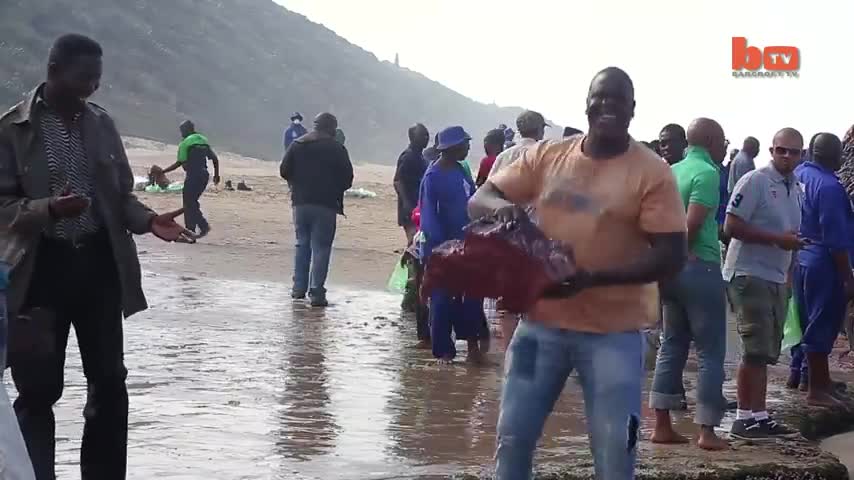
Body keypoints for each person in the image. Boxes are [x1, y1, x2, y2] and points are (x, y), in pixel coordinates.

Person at [471, 67, 688, 480]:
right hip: (539, 325)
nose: (607, 106)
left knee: (614, 453)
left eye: (617, 100)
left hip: (614, 334)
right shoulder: (548, 156)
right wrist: (507, 212)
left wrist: (592, 277)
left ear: (632, 110)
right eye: (599, 97)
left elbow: (671, 256)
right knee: (512, 439)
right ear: (586, 104)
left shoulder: (652, 172)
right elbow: (482, 197)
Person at [0, 33, 194, 480]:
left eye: (98, 79)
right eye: (83, 77)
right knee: (38, 391)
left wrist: (147, 221)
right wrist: (47, 209)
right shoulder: (13, 129)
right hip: (40, 272)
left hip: (99, 269)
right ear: (53, 72)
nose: (92, 88)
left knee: (109, 382)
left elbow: (119, 196)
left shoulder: (102, 125)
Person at [650, 118, 729, 450]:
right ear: (711, 140)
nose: (726, 146)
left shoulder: (672, 170)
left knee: (672, 344)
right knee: (711, 351)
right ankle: (707, 432)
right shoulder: (708, 174)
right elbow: (692, 224)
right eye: (723, 140)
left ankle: (662, 426)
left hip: (669, 271)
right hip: (700, 267)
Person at [724, 128, 804, 439]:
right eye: (781, 150)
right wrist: (778, 241)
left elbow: (790, 234)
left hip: (774, 275)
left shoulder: (796, 187)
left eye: (793, 152)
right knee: (755, 348)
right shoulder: (755, 181)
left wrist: (788, 270)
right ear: (771, 150)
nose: (786, 156)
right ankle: (745, 417)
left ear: (801, 156)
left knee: (768, 349)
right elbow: (731, 225)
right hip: (749, 272)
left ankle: (759, 414)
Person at [792, 132, 853, 407]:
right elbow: (835, 239)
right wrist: (847, 276)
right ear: (836, 156)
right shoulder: (830, 187)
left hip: (800, 256)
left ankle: (811, 378)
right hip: (824, 262)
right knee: (823, 323)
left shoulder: (800, 174)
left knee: (806, 319)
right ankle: (816, 390)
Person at [420, 126, 489, 364]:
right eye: (465, 144)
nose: (468, 147)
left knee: (471, 297)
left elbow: (472, 202)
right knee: (441, 299)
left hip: (467, 244)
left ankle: (472, 348)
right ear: (451, 147)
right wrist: (442, 247)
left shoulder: (461, 171)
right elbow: (429, 216)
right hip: (443, 249)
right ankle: (444, 353)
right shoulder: (433, 176)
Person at [280, 112, 354, 307]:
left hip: (300, 202)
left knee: (301, 244)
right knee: (321, 248)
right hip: (326, 204)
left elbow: (284, 171)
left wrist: (298, 182)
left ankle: (298, 289)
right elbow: (348, 179)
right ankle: (316, 293)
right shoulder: (337, 149)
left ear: (315, 126)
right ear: (331, 128)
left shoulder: (298, 144)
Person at [160, 120, 221, 238]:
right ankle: (192, 229)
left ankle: (200, 226)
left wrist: (163, 171)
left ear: (187, 130)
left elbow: (180, 163)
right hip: (204, 176)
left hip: (193, 176)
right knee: (192, 202)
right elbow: (214, 159)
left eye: (182, 131)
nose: (181, 133)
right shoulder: (203, 140)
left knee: (189, 203)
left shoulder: (185, 143)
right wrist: (216, 175)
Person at [394, 124, 430, 244]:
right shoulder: (408, 156)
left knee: (416, 242)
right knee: (413, 242)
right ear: (412, 137)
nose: (426, 138)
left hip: (418, 206)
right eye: (422, 135)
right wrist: (406, 203)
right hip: (409, 207)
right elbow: (398, 181)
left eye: (427, 135)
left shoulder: (421, 157)